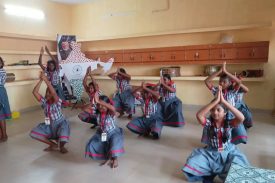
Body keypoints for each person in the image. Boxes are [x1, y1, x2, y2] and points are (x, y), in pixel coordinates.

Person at [182, 86, 249, 183]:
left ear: (225, 112)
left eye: (218, 110)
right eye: (212, 110)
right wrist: (216, 101)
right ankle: (208, 173)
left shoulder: (229, 123)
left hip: (228, 152)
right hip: (211, 152)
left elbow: (241, 118)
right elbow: (199, 115)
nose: (215, 112)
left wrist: (225, 102)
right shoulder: (209, 123)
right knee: (193, 161)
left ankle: (226, 174)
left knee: (238, 164)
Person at [30, 72, 70, 154]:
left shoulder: (57, 102)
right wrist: (41, 80)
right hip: (49, 125)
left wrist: (46, 80)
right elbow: (34, 92)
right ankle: (53, 145)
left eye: (50, 93)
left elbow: (54, 93)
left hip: (60, 124)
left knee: (63, 135)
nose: (48, 94)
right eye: (47, 92)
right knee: (33, 133)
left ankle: (62, 146)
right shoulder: (44, 102)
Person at [85, 94, 125, 168]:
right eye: (99, 105)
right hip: (102, 132)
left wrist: (99, 101)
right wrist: (94, 102)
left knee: (114, 143)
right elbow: (84, 109)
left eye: (103, 105)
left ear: (107, 105)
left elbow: (112, 108)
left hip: (113, 132)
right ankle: (106, 157)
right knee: (94, 143)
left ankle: (115, 159)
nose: (100, 107)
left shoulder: (110, 113)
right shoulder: (97, 112)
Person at [0, 57, 11, 142]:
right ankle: (3, 134)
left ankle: (4, 135)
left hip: (0, 92)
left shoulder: (2, 71)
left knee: (1, 115)